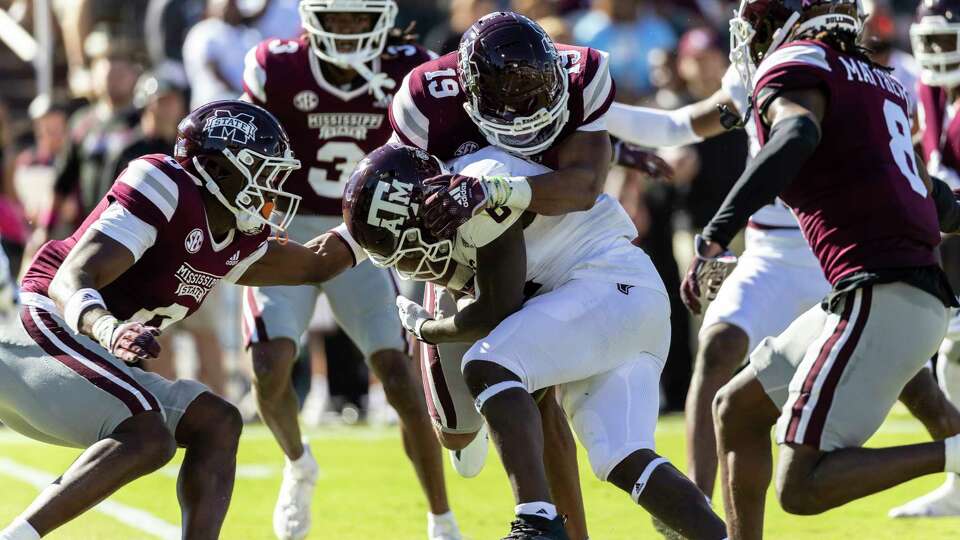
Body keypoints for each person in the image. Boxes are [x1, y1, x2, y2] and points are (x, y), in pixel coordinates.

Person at [0, 99, 364, 540]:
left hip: (89, 355)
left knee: (216, 422)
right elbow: (70, 279)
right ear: (219, 167)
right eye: (262, 172)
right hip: (41, 327)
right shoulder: (166, 184)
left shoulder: (234, 235)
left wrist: (384, 217)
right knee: (149, 433)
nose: (271, 188)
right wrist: (108, 328)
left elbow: (315, 265)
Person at [341, 142, 727, 540]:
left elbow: (495, 308)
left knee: (489, 363)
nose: (409, 262)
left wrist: (427, 330)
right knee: (623, 458)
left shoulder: (472, 185)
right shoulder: (458, 185)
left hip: (606, 286)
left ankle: (536, 520)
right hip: (626, 297)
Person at [678, 1, 960, 538]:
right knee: (735, 409)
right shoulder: (879, 82)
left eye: (759, 25)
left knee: (801, 487)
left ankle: (956, 453)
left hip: (881, 293)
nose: (753, 38)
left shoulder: (800, 64)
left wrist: (717, 232)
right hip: (889, 292)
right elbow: (937, 201)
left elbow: (797, 133)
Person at [239, 2, 460, 539]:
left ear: (379, 18)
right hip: (287, 226)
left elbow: (443, 147)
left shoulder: (409, 68)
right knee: (269, 368)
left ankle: (442, 517)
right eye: (334, 17)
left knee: (401, 380)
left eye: (356, 18)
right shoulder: (277, 66)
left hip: (363, 231)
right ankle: (298, 464)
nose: (344, 29)